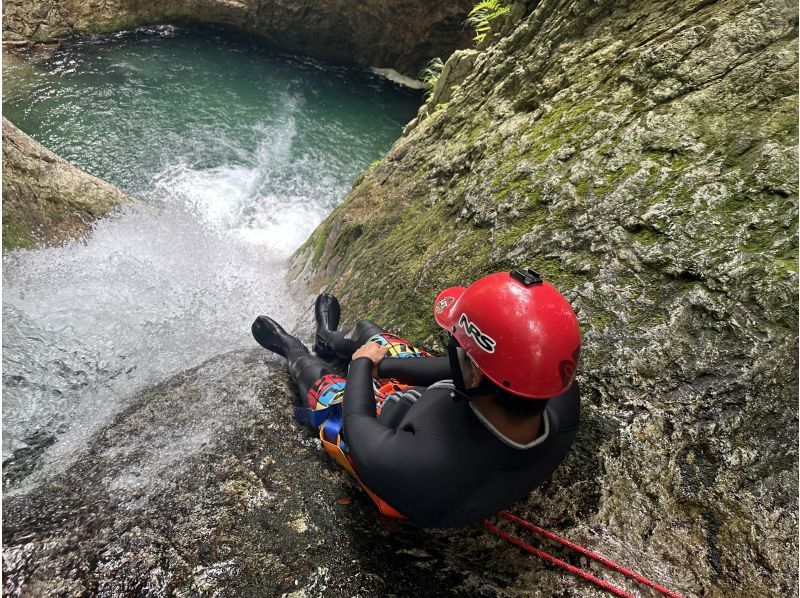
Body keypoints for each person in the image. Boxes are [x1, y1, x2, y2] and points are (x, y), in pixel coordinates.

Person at [251, 268, 581, 528]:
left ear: (476, 374)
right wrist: (387, 365)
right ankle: (329, 339)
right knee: (371, 333)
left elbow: (356, 425)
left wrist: (363, 365)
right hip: (445, 415)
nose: (454, 348)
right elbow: (466, 372)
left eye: (459, 348)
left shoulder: (418, 466)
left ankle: (293, 349)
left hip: (388, 442)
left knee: (324, 385)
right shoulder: (557, 398)